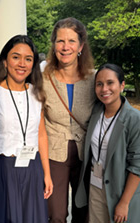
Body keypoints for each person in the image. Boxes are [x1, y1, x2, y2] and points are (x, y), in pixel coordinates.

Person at [0, 35, 53, 223]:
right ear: (5, 61)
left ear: (33, 64)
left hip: (33, 167)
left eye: (28, 59)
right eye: (16, 57)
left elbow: (41, 134)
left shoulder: (37, 93)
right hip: (3, 169)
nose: (22, 64)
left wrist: (47, 173)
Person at [75, 63, 140, 223]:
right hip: (96, 186)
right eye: (99, 84)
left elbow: (138, 167)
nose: (104, 89)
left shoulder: (137, 120)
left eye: (110, 83)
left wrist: (124, 203)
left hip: (122, 190)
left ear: (122, 85)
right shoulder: (96, 112)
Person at [42, 17, 95, 222]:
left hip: (86, 155)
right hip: (54, 154)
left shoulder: (94, 79)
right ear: (54, 44)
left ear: (81, 46)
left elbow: (115, 109)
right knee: (55, 214)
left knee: (83, 211)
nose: (65, 47)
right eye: (60, 41)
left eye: (71, 41)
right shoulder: (43, 79)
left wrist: (135, 141)